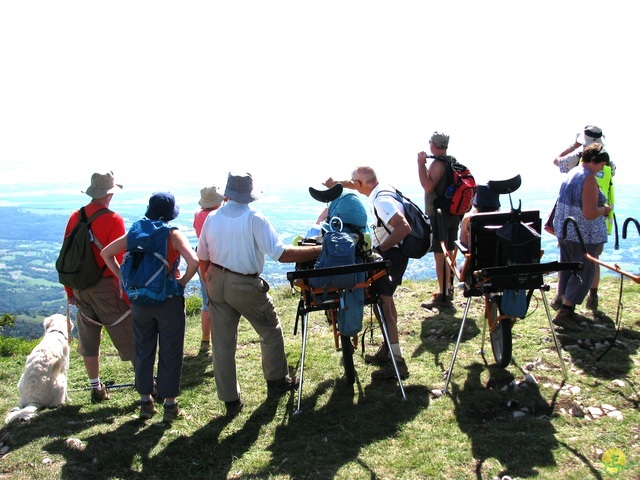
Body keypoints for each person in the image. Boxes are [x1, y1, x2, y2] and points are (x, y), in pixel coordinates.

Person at [197, 172, 322, 418]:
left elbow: (202, 255)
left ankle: (230, 400)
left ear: (228, 193)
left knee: (222, 344)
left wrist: (209, 280)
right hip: (244, 284)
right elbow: (281, 253)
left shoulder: (212, 217)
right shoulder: (255, 218)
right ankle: (276, 380)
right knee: (270, 330)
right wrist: (320, 249)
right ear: (249, 195)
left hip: (215, 278)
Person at [101, 192, 199, 422]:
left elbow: (106, 253)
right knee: (171, 351)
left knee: (143, 350)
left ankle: (146, 402)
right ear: (169, 214)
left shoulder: (136, 232)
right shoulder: (172, 234)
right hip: (168, 300)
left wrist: (125, 281)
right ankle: (170, 405)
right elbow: (193, 261)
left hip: (139, 302)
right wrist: (181, 283)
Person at [323, 166, 412, 379]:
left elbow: (404, 227)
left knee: (383, 306)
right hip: (396, 254)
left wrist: (379, 250)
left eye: (355, 183)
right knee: (387, 303)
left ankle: (397, 362)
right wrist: (337, 183)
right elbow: (356, 182)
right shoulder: (381, 188)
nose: (353, 186)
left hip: (392, 255)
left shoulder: (381, 201)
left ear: (362, 184)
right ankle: (389, 350)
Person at [62, 172, 135, 404]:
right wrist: (127, 293)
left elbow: (67, 256)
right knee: (128, 335)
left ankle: (96, 387)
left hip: (80, 287)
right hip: (105, 286)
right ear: (110, 193)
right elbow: (120, 260)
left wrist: (70, 291)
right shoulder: (114, 219)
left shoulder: (76, 216)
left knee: (89, 338)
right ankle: (147, 385)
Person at [550, 125, 615, 312]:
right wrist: (604, 209)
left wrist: (573, 146)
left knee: (567, 268)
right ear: (595, 160)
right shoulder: (588, 178)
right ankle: (567, 311)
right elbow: (588, 212)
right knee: (584, 270)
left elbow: (557, 161)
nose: (603, 167)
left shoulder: (572, 170)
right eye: (601, 164)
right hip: (583, 234)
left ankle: (562, 302)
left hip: (565, 229)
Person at [417, 131, 461, 309]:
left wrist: (420, 165)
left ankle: (442, 296)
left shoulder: (437, 164)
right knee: (449, 251)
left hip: (440, 216)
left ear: (433, 145)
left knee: (440, 255)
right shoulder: (452, 161)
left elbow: (428, 186)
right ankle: (448, 290)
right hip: (453, 214)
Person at [193, 185, 225, 354]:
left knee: (206, 301)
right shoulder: (218, 215)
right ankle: (220, 338)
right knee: (221, 302)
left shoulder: (198, 214)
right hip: (216, 260)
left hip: (200, 257)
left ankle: (205, 339)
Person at [458, 184, 501, 280]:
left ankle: (488, 293)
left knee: (462, 266)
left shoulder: (469, 219)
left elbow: (463, 243)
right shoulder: (503, 218)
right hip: (500, 269)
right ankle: (492, 293)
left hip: (475, 271)